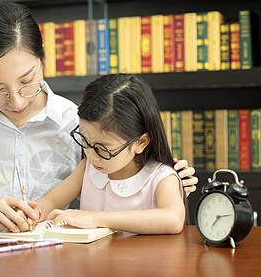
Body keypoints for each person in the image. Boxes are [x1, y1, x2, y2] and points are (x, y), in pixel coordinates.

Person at [0, 1, 196, 232]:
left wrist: (156, 173)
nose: (16, 101)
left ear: (43, 60)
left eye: (26, 81)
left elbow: (123, 174)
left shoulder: (77, 124)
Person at [31, 74, 185, 234]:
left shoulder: (160, 178)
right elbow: (53, 200)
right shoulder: (89, 168)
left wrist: (95, 218)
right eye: (85, 141)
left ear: (140, 143)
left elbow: (173, 219)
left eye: (102, 149)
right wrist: (33, 213)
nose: (91, 155)